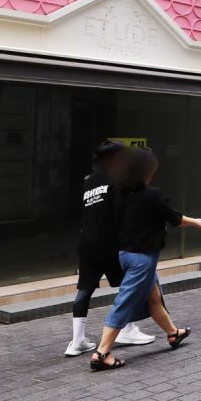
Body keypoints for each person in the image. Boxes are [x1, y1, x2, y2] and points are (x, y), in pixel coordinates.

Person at [90, 148, 201, 371]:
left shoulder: (119, 193)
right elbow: (175, 218)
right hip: (143, 259)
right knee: (124, 302)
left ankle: (173, 333)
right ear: (146, 172)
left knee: (153, 298)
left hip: (125, 254)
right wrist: (197, 222)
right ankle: (102, 352)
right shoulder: (153, 196)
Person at [65, 141, 155, 357]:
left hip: (87, 243)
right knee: (130, 285)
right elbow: (120, 213)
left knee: (85, 290)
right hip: (111, 244)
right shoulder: (116, 182)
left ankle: (77, 341)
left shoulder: (88, 181)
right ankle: (128, 329)